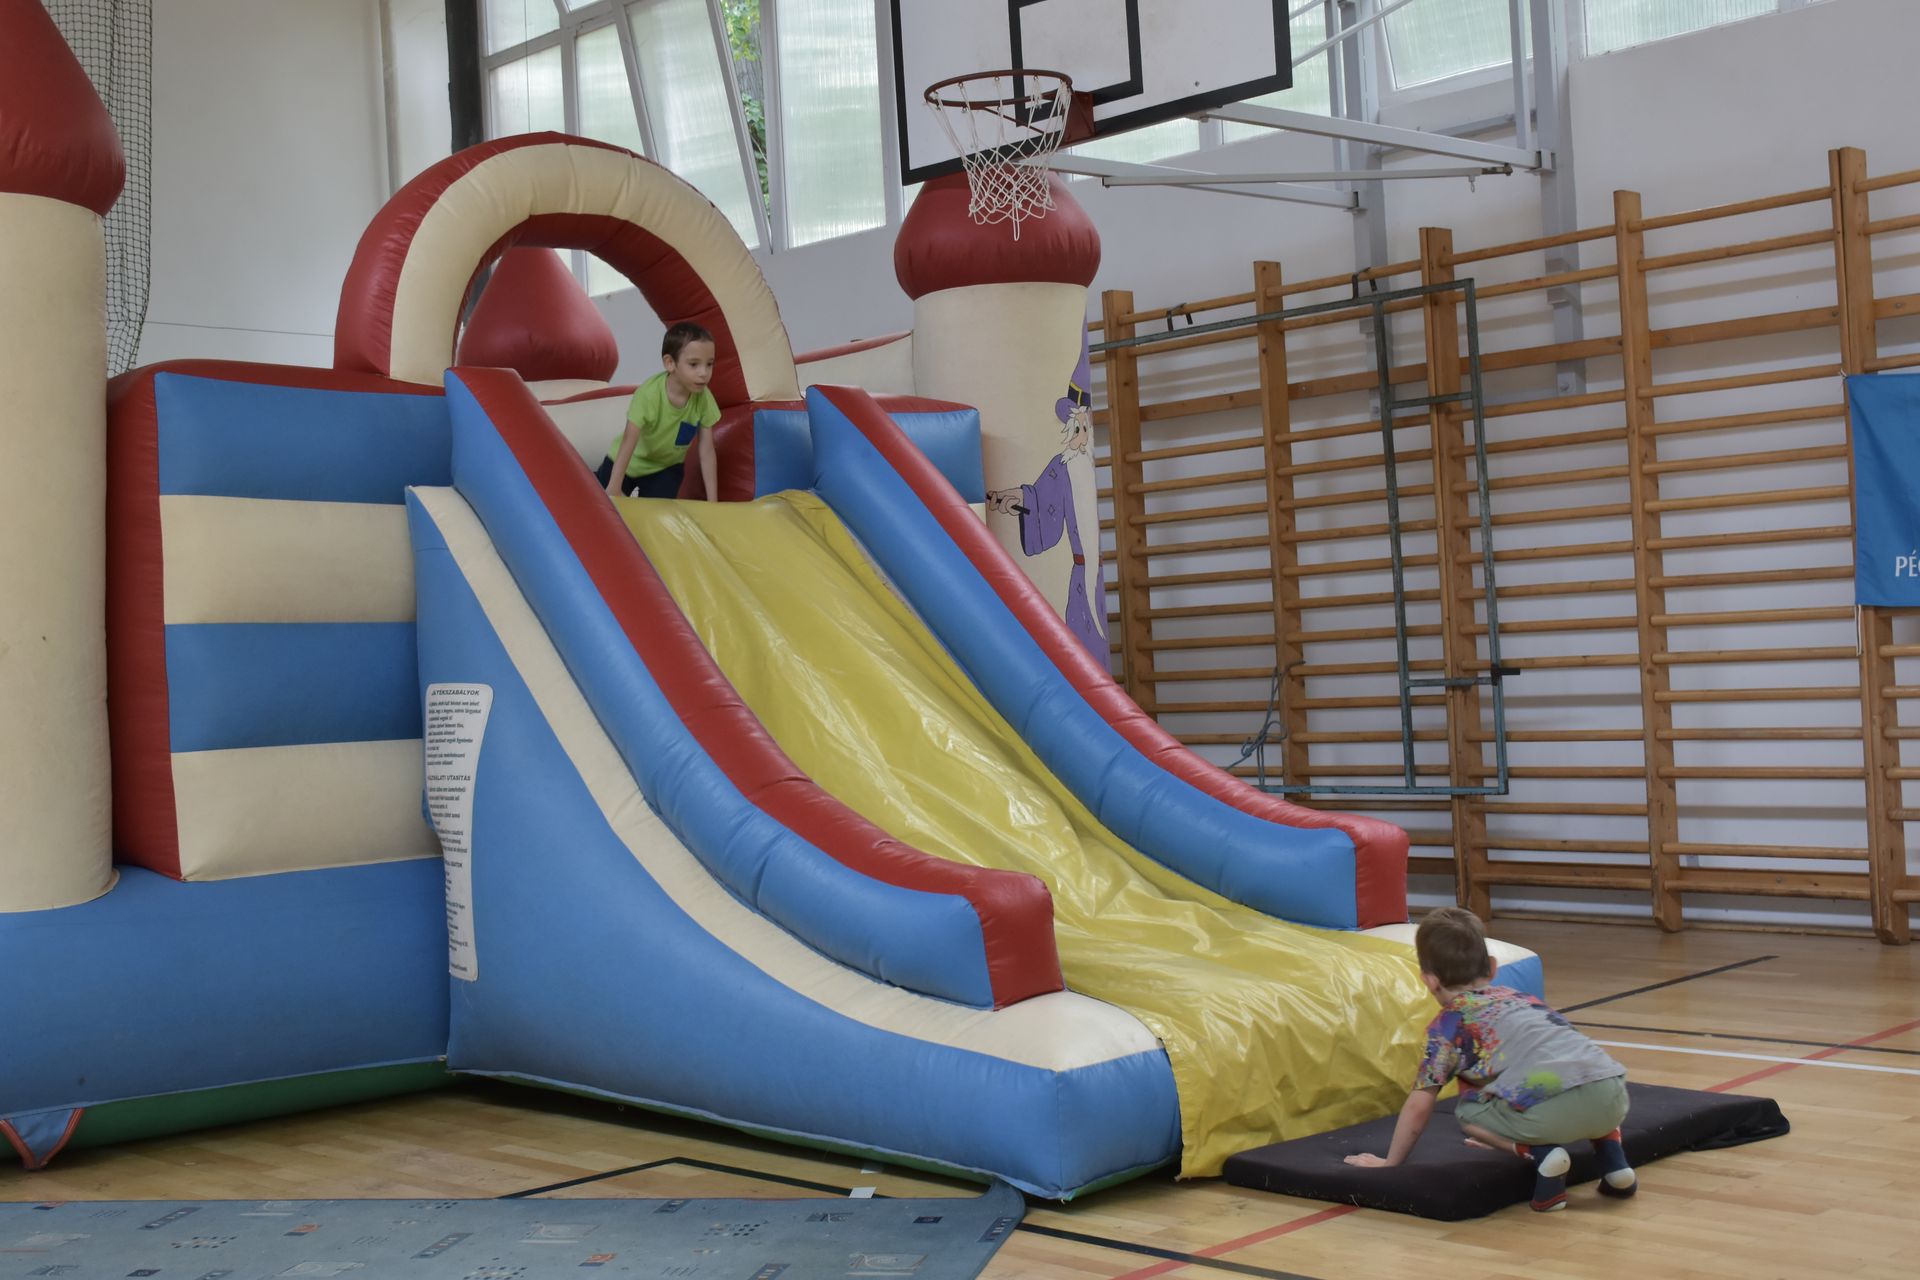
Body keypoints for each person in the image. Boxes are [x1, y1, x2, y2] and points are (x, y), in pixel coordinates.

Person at [1343, 906, 1636, 1212]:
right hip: (1613, 1096)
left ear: (1428, 980)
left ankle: (1540, 1154)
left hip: (1553, 1114)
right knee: (1564, 1080)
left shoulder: (1448, 1026)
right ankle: (1614, 1163)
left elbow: (1420, 1103)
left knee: (1468, 1111)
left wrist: (1390, 1163)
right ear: (1493, 967)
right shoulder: (1523, 1000)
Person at [984, 341, 1109, 660]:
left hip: (1100, 575)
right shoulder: (1063, 467)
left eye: (1085, 428)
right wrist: (1014, 497)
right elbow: (1040, 498)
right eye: (1076, 428)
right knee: (1080, 648)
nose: (1081, 436)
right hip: (1081, 578)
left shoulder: (1092, 466)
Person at [598, 322, 721, 500]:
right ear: (670, 363)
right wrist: (614, 487)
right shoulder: (649, 395)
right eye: (694, 364)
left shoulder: (704, 398)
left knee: (659, 510)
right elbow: (629, 439)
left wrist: (713, 501)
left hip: (664, 469)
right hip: (628, 462)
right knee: (600, 498)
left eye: (709, 364)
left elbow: (707, 450)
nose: (704, 373)